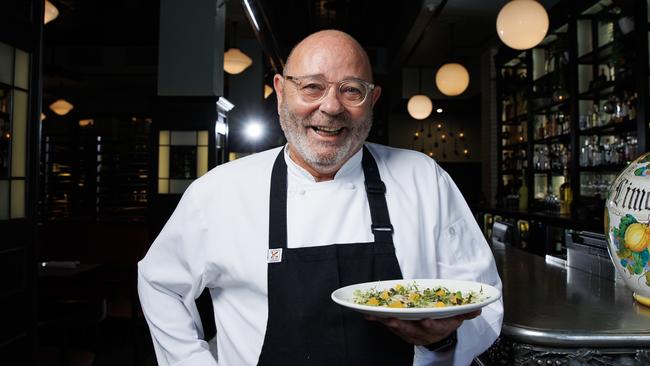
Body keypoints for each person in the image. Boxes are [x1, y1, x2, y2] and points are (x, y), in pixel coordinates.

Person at [138, 30, 503, 366]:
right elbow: (160, 284)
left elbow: (483, 296)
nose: (331, 107)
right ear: (280, 91)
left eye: (351, 90)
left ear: (372, 99)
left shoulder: (424, 178)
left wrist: (442, 342)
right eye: (312, 87)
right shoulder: (220, 191)